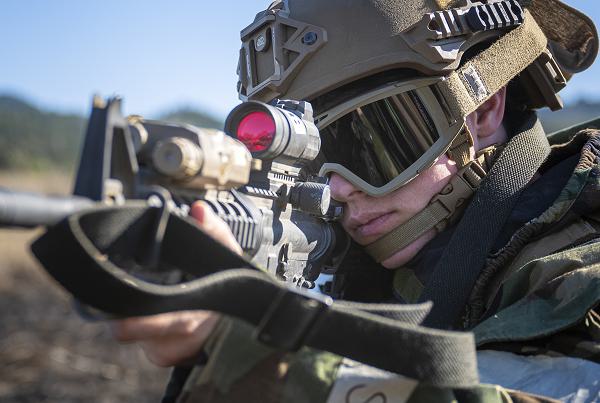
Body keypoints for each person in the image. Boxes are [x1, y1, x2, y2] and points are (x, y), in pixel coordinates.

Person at [112, 0, 600, 401]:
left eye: (375, 142)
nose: (337, 189)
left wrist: (250, 350)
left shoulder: (580, 264)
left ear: (483, 105)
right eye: (314, 159)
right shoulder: (368, 266)